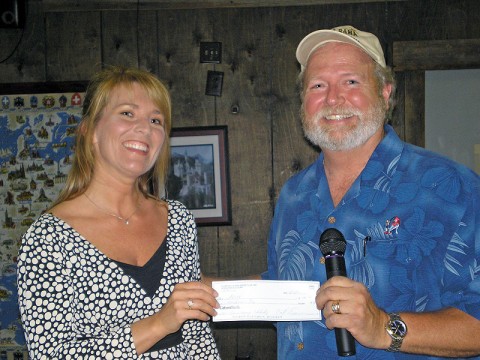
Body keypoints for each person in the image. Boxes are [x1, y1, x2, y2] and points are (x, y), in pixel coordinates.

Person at [260, 25, 480, 359]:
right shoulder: (293, 194)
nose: (333, 98)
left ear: (386, 92)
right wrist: (210, 290)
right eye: (318, 85)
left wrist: (383, 328)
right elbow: (284, 287)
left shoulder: (451, 186)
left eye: (351, 81)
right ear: (304, 101)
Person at [16, 66, 221, 359]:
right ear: (90, 131)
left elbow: (198, 338)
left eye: (156, 120)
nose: (145, 128)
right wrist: (159, 324)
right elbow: (52, 355)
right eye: (127, 113)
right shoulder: (48, 238)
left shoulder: (178, 219)